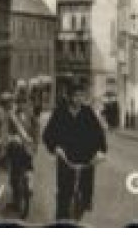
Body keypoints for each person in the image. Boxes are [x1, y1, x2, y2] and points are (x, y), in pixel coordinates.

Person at [42, 80, 108, 223]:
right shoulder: (60, 112)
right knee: (64, 195)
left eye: (82, 96)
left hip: (86, 158)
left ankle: (84, 204)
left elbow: (98, 134)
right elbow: (48, 134)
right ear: (70, 96)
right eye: (76, 96)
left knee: (85, 192)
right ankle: (61, 222)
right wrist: (55, 148)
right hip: (66, 158)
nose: (79, 99)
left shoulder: (87, 112)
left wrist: (101, 151)